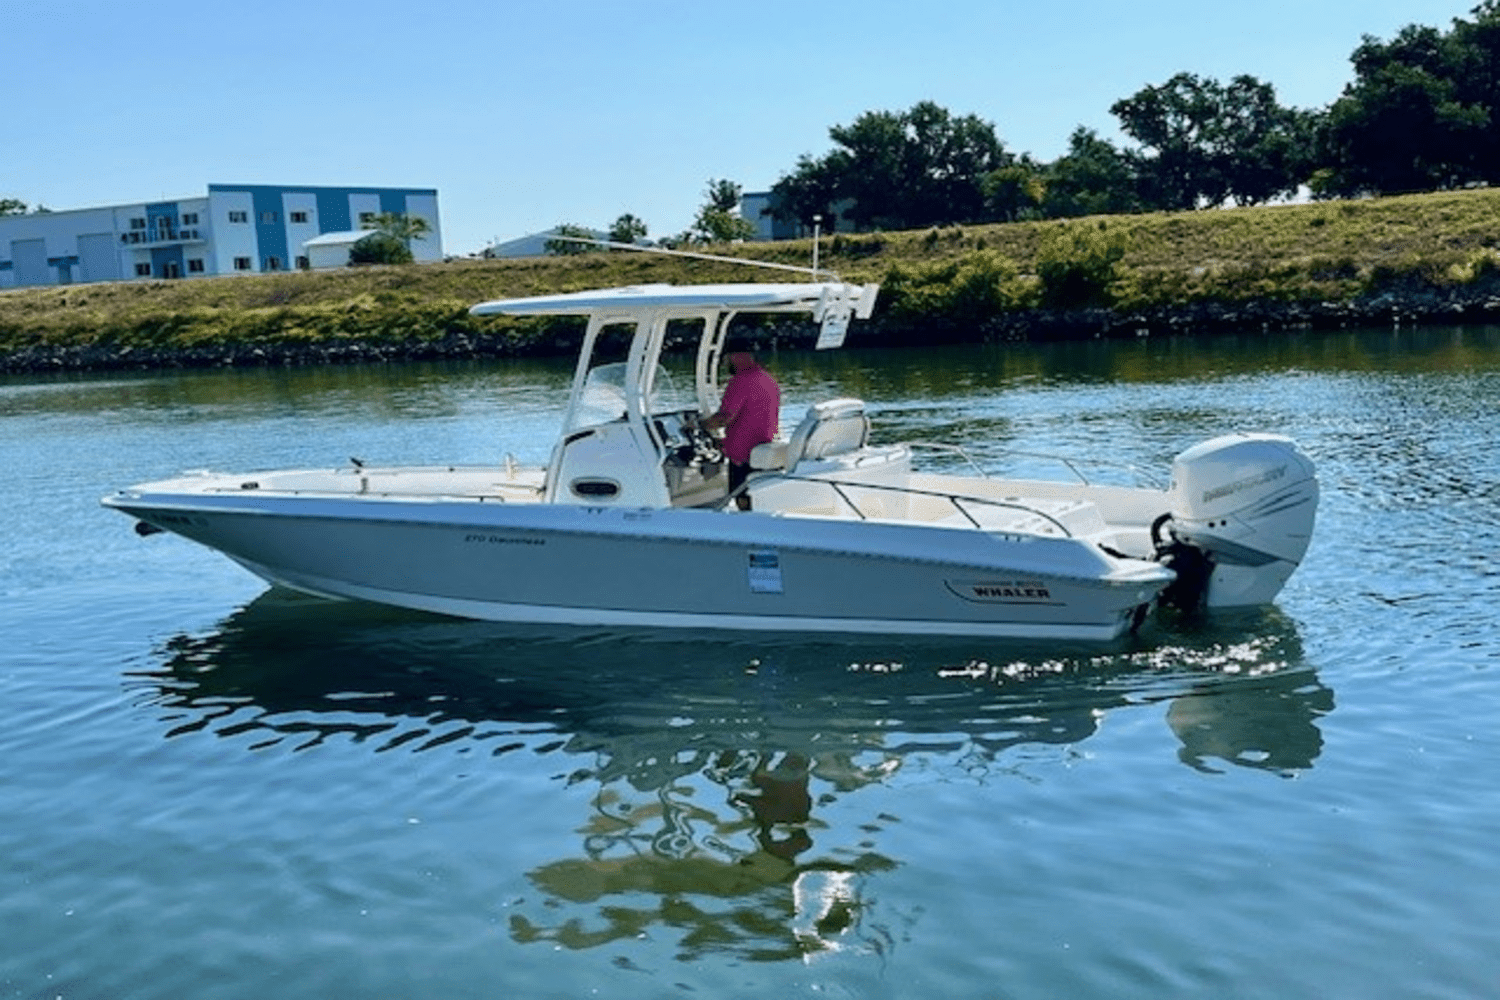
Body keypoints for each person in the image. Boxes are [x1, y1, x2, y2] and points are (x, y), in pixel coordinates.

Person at [704, 342, 779, 510]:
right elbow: (755, 417)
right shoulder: (769, 380)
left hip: (742, 455)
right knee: (756, 497)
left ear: (736, 356)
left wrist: (699, 425)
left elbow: (723, 418)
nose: (725, 363)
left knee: (742, 498)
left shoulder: (739, 381)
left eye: (726, 358)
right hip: (763, 446)